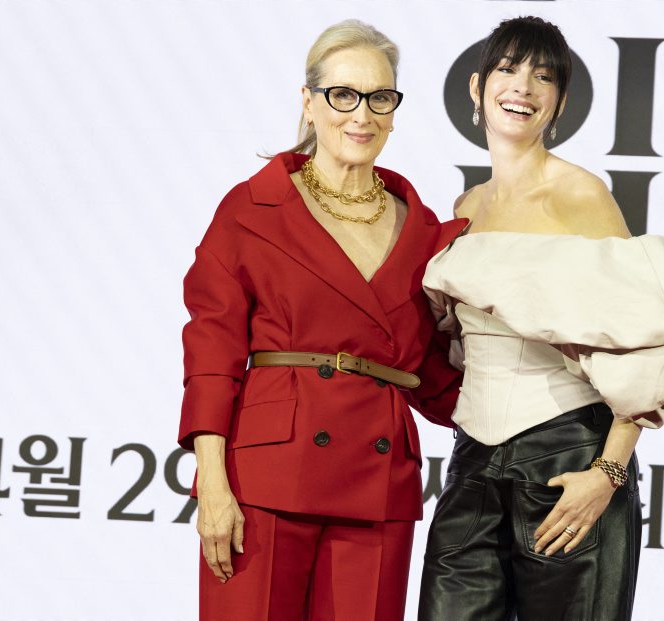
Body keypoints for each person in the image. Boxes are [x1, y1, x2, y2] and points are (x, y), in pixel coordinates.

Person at [418, 16, 664, 620]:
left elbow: (648, 349)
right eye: (508, 69)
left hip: (569, 459)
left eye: (544, 76)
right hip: (472, 466)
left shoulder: (580, 194)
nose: (522, 87)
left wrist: (607, 474)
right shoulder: (467, 206)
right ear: (477, 86)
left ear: (559, 102)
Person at [177, 19, 467, 621]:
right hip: (266, 477)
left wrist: (549, 425)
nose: (362, 115)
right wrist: (212, 483)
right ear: (309, 103)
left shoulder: (421, 228)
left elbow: (433, 372)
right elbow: (212, 351)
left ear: (394, 112)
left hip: (377, 482)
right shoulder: (254, 207)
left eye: (379, 98)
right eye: (343, 95)